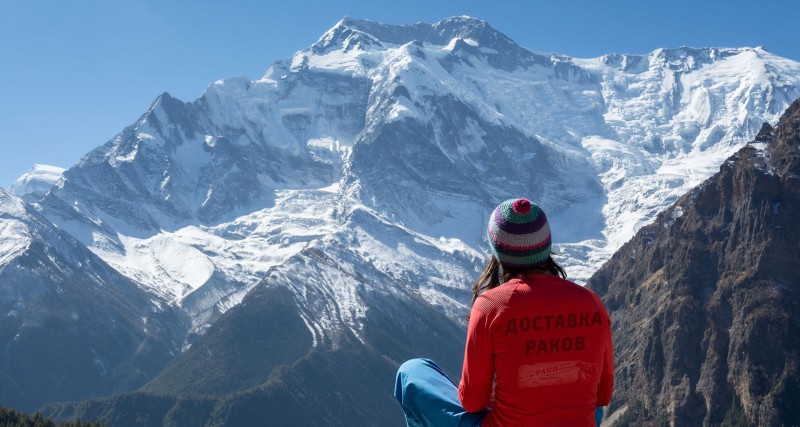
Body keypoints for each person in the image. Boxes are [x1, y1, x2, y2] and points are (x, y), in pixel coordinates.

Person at [394, 198, 614, 426]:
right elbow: (603, 394)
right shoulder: (591, 303)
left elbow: (471, 402)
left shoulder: (490, 306)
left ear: (497, 251)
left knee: (411, 371)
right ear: (546, 244)